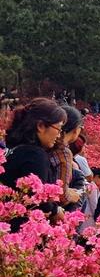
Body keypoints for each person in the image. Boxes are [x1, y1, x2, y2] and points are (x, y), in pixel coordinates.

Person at [0, 98, 67, 230]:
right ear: (41, 126)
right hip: (21, 232)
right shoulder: (35, 155)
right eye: (58, 128)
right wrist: (55, 210)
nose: (59, 135)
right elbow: (38, 198)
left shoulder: (16, 150)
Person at [49, 105, 84, 210]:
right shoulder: (63, 152)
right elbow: (62, 196)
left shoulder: (47, 144)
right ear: (75, 130)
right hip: (54, 211)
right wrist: (73, 196)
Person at [79, 167, 100, 233]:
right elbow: (94, 204)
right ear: (97, 177)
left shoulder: (88, 184)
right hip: (89, 214)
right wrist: (98, 217)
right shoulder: (92, 186)